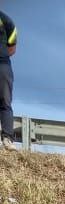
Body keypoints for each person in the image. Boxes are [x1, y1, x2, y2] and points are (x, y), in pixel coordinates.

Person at [0, 10, 15, 151]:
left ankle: (7, 140)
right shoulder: (7, 20)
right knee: (5, 102)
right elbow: (12, 50)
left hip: (2, 64)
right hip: (3, 65)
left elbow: (12, 49)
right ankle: (7, 140)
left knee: (5, 102)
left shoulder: (7, 21)